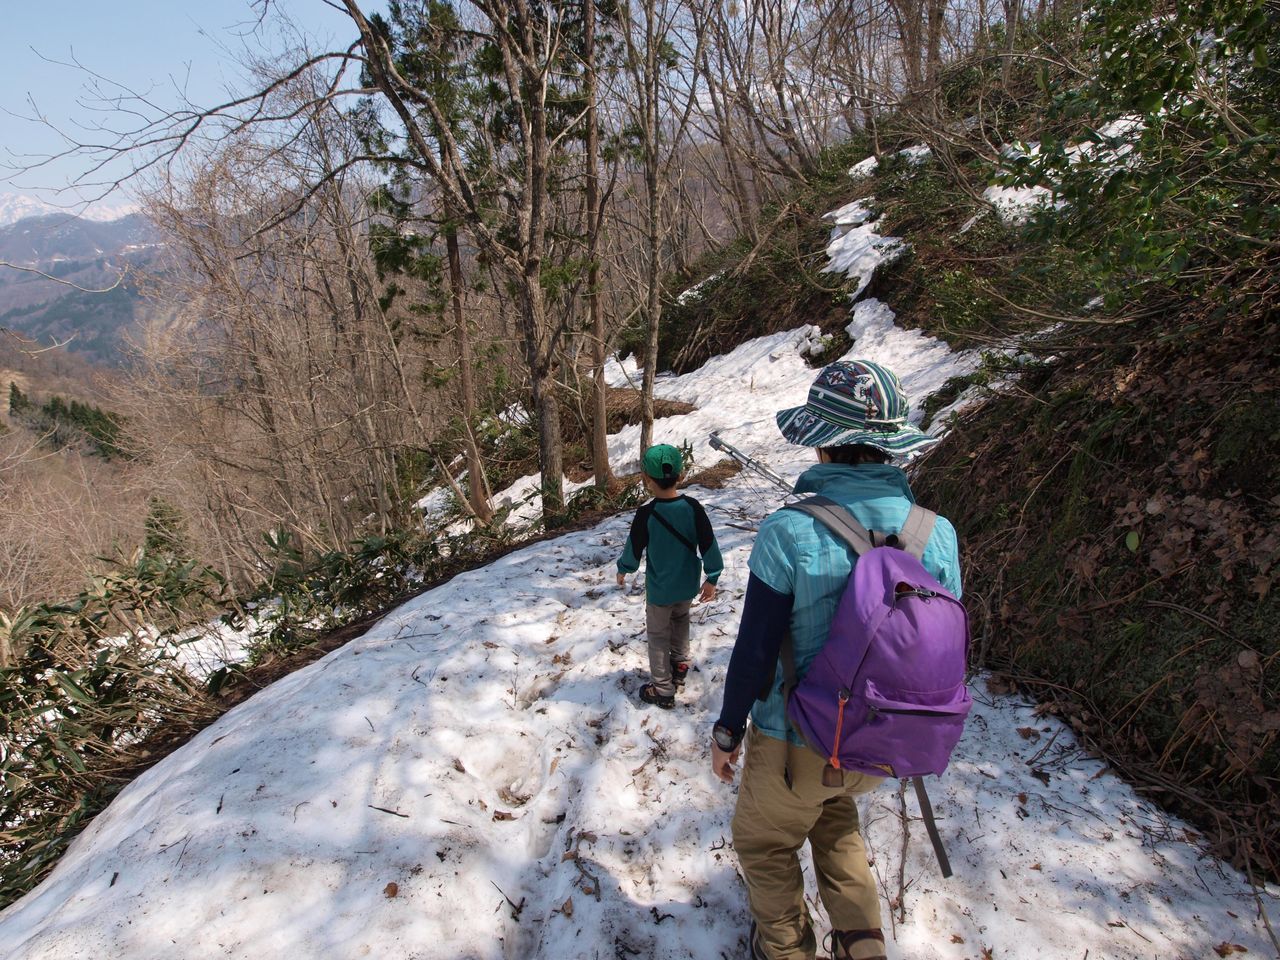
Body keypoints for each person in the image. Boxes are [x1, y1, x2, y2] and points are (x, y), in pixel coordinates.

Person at [709, 360, 963, 960]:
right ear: (891, 446)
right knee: (835, 817)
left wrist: (727, 732)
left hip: (794, 740)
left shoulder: (788, 531)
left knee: (765, 844)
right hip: (877, 742)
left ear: (822, 443)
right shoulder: (938, 533)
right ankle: (862, 946)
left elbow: (755, 650)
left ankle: (785, 949)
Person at [617, 443, 724, 708]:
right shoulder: (693, 507)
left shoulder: (647, 514)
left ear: (646, 479)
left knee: (657, 636)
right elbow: (708, 544)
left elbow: (634, 549)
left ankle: (663, 689)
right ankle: (680, 664)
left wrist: (624, 568)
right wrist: (712, 577)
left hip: (660, 590)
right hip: (687, 585)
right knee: (681, 620)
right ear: (681, 475)